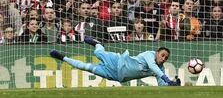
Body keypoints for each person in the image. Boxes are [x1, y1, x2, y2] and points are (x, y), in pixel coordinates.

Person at [50, 36, 181, 86]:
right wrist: (167, 79)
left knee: (86, 67)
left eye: (166, 58)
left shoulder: (160, 69)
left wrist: (173, 86)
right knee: (98, 52)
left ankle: (62, 58)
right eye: (162, 55)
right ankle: (98, 43)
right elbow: (153, 67)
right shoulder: (149, 55)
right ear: (157, 52)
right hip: (117, 61)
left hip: (115, 75)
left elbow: (162, 86)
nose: (163, 59)